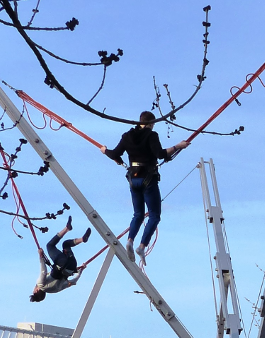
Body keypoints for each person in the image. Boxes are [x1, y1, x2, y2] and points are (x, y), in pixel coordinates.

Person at [100, 111, 189, 265]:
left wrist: (104, 151)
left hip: (133, 178)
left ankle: (130, 240)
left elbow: (115, 153)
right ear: (151, 123)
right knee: (154, 215)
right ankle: (142, 246)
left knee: (138, 214)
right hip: (149, 178)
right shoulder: (151, 135)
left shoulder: (127, 136)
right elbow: (160, 154)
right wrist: (178, 146)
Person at [30, 216, 91, 302]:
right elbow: (43, 271)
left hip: (72, 265)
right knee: (50, 246)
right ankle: (67, 228)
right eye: (33, 290)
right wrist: (40, 256)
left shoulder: (55, 290)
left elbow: (73, 282)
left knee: (66, 244)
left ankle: (82, 239)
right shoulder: (40, 284)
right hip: (62, 262)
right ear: (36, 291)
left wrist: (81, 270)